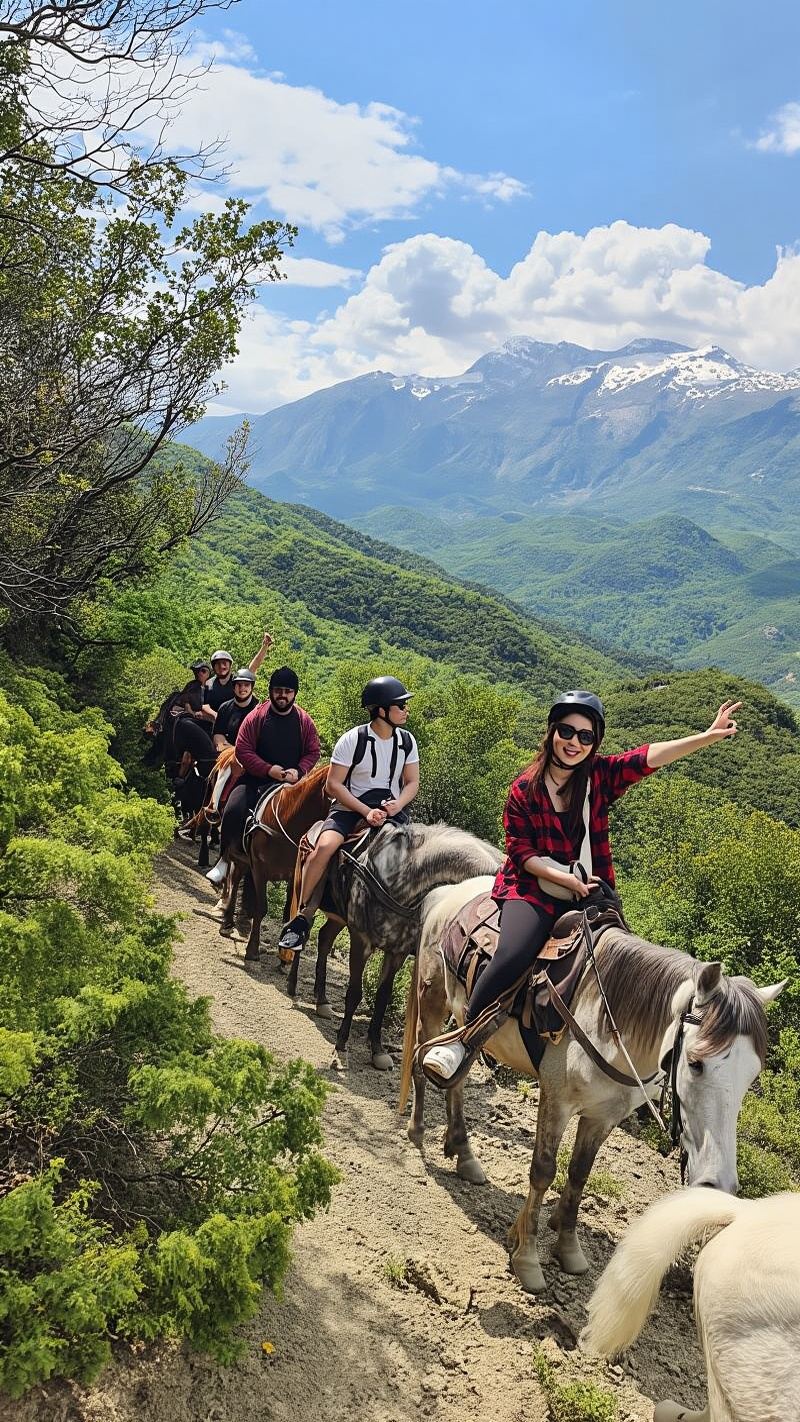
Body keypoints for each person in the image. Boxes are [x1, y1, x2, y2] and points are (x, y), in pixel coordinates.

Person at [422, 691, 742, 1083]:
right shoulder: (525, 789)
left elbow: (646, 758)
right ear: (552, 732)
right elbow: (521, 851)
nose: (574, 742)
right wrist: (563, 878)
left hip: (591, 889)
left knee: (623, 964)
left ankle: (621, 1056)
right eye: (567, 732)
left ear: (595, 743)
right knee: (513, 953)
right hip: (533, 889)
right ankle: (464, 1039)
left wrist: (707, 736)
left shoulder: (598, 778)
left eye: (585, 737)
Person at [278, 675, 420, 953]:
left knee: (418, 855)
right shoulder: (352, 739)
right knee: (325, 848)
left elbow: (412, 782)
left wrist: (398, 804)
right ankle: (302, 917)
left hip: (392, 810)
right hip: (349, 808)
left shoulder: (407, 741)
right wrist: (366, 811)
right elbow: (333, 784)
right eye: (400, 705)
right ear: (380, 710)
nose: (406, 710)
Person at [207, 667, 320, 886]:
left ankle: (306, 867)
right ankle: (224, 858)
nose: (282, 696)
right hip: (256, 779)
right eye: (278, 690)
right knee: (233, 809)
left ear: (294, 693)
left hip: (292, 782)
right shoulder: (256, 716)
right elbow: (243, 749)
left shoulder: (304, 720)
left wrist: (299, 770)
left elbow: (313, 751)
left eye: (287, 691)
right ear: (270, 691)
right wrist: (268, 769)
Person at [198, 631, 273, 727]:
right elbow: (203, 705)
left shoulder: (237, 681)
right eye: (218, 663)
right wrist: (217, 717)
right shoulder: (207, 684)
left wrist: (265, 646)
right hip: (213, 726)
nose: (221, 666)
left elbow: (253, 668)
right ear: (213, 666)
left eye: (224, 663)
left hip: (238, 724)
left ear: (230, 665)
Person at [212, 669, 259, 752]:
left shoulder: (259, 709)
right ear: (233, 687)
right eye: (239, 685)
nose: (242, 688)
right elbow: (218, 735)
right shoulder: (224, 708)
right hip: (228, 754)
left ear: (252, 687)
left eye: (246, 685)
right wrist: (232, 751)